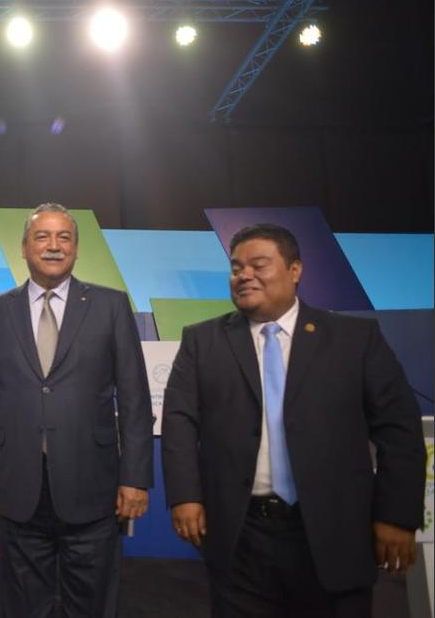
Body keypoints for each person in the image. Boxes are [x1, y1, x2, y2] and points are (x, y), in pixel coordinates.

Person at [162, 223, 426, 617]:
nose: (244, 275)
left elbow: (400, 429)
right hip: (241, 535)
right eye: (236, 268)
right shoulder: (202, 341)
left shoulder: (355, 338)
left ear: (295, 270)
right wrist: (186, 496)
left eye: (259, 264)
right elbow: (180, 422)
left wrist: (396, 515)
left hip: (337, 532)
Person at [0, 203, 154, 616]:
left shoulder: (111, 305)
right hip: (18, 486)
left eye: (63, 237)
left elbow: (137, 399)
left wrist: (136, 477)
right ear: (23, 248)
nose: (54, 246)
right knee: (23, 605)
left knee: (91, 604)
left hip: (95, 485)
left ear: (76, 248)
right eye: (42, 237)